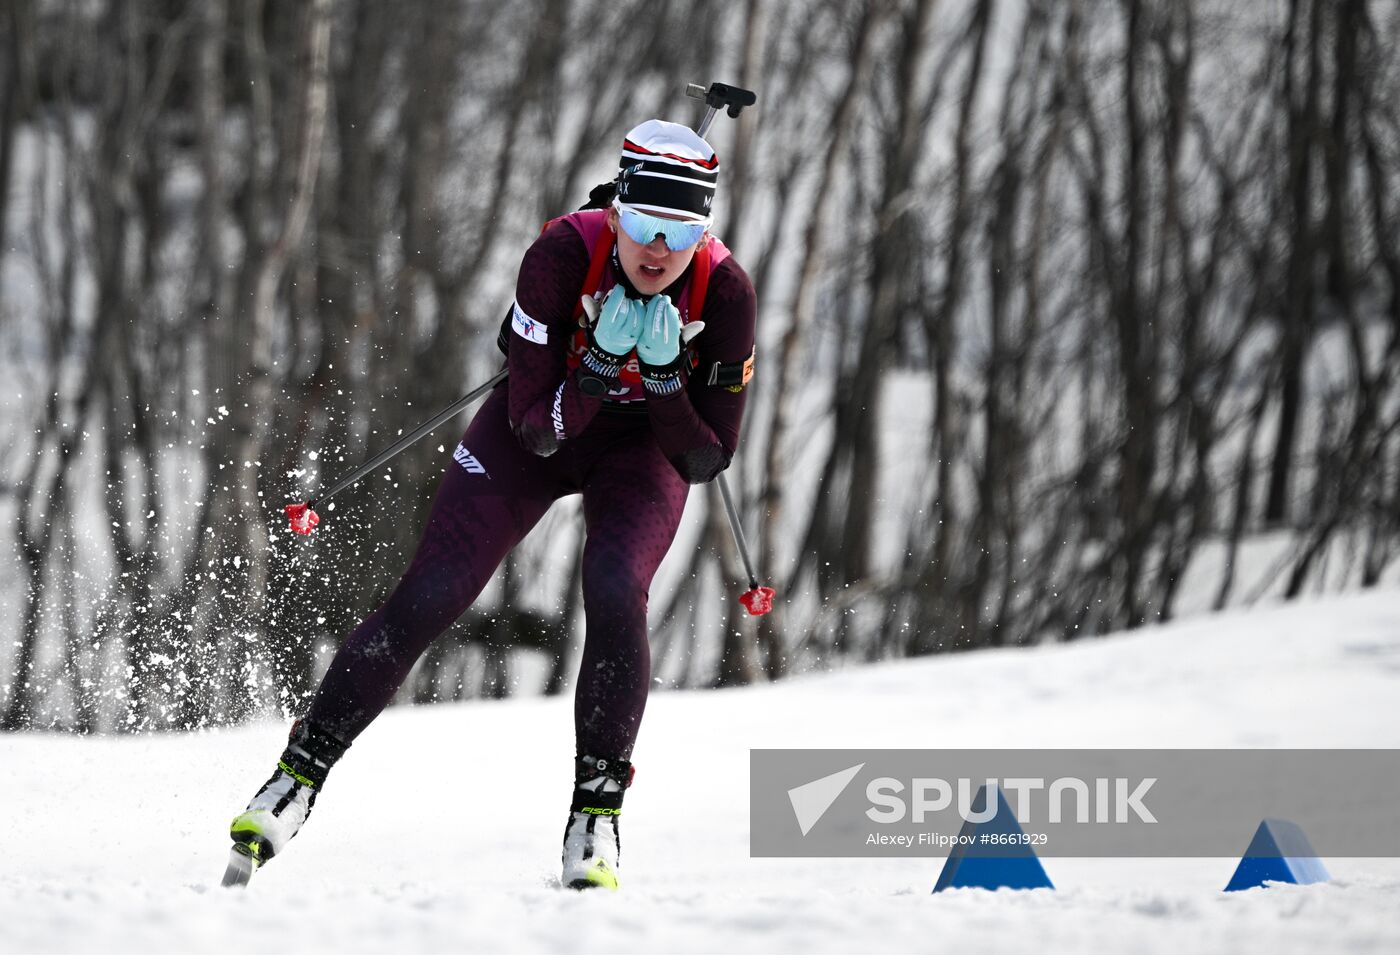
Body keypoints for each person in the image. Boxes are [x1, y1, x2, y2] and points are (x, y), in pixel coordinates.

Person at [226, 119, 758, 891]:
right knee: (434, 591)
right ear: (617, 213)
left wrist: (669, 381)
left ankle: (595, 818)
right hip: (542, 425)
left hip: (644, 452)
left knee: (616, 591)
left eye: (682, 232)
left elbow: (705, 457)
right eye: (644, 224)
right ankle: (295, 779)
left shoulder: (727, 292)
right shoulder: (562, 255)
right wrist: (601, 366)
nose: (659, 249)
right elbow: (535, 431)